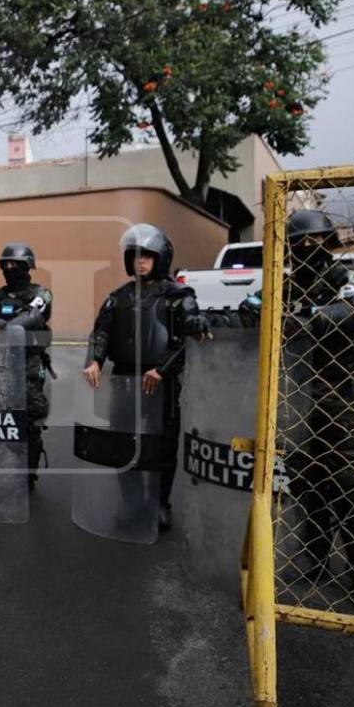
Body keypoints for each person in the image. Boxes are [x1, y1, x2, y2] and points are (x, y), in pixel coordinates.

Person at [239, 210, 354, 616]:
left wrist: (304, 319)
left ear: (329, 242)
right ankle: (315, 553)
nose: (308, 247)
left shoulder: (346, 277)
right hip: (298, 394)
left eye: (316, 240)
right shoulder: (286, 284)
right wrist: (254, 310)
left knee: (350, 483)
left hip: (340, 395)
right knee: (306, 477)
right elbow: (251, 308)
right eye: (300, 242)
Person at [83, 225, 210, 529]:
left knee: (161, 446)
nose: (140, 262)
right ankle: (131, 502)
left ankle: (159, 503)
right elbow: (101, 332)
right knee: (122, 443)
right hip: (124, 380)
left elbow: (188, 334)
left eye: (147, 256)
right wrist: (94, 360)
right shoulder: (118, 297)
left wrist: (163, 368)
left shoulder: (177, 296)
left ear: (161, 258)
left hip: (159, 382)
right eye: (135, 256)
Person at [0, 243, 54, 487]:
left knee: (29, 420)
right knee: (0, 419)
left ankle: (28, 473)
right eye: (6, 264)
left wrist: (7, 325)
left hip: (28, 365)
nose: (9, 268)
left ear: (27, 266)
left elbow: (33, 315)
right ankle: (3, 468)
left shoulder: (41, 293)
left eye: (15, 264)